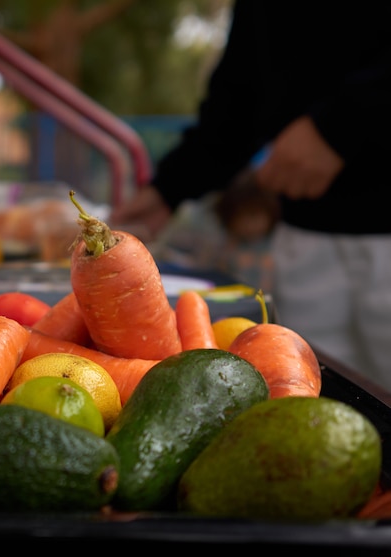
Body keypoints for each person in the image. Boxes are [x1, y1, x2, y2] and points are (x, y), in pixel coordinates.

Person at [110, 0, 391, 392]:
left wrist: (340, 127)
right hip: (304, 235)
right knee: (321, 406)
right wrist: (167, 190)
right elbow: (237, 97)